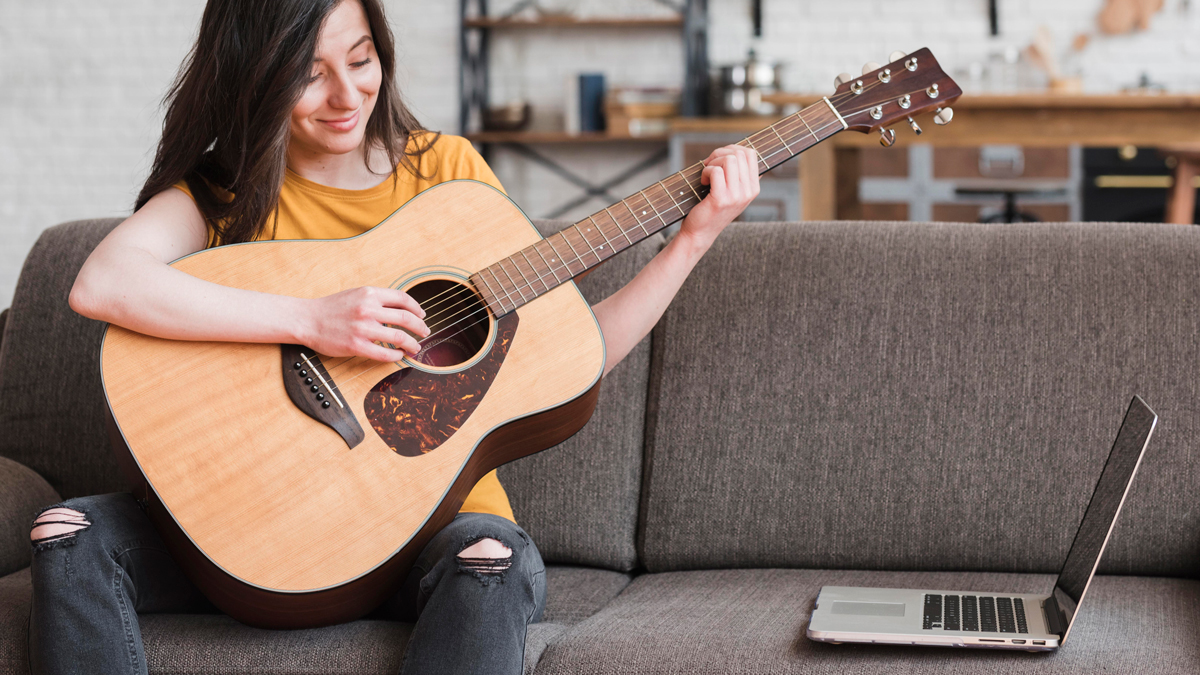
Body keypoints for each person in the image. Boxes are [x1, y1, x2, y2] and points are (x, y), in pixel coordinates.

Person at [27, 1, 760, 673]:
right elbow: (104, 282)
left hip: (428, 533)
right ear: (256, 74)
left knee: (490, 561)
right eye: (308, 75)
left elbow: (574, 348)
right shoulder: (225, 191)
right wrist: (312, 319)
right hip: (240, 536)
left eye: (361, 58)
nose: (347, 95)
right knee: (69, 532)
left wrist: (691, 241)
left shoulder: (447, 178)